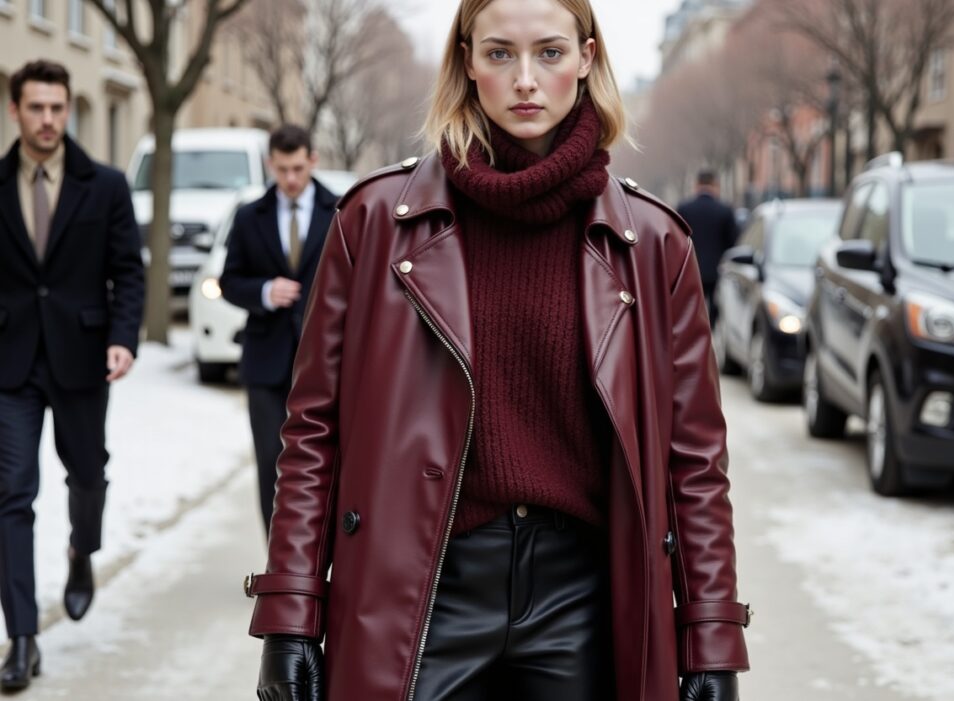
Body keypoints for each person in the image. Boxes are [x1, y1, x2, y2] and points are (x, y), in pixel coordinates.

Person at [246, 0, 750, 699]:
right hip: (424, 586)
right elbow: (312, 434)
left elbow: (695, 462)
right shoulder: (372, 224)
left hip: (584, 597)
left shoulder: (654, 244)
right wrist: (290, 613)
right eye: (499, 53)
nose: (524, 80)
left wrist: (712, 633)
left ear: (587, 59)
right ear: (466, 61)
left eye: (549, 52)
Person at [0, 60, 144, 691]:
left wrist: (122, 338)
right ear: (16, 111)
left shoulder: (105, 185)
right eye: (36, 108)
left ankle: (81, 552)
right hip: (10, 364)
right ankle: (23, 637)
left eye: (58, 107)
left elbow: (129, 272)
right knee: (11, 494)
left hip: (84, 357)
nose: (49, 119)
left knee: (87, 475)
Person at [219, 124, 337, 535]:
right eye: (282, 169)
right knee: (271, 461)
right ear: (270, 164)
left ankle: (320, 556)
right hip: (266, 362)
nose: (290, 179)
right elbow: (228, 281)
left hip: (326, 362)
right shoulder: (250, 217)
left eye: (298, 168)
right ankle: (277, 564)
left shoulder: (341, 211)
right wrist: (265, 291)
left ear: (313, 161)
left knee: (325, 462)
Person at [676, 169, 740, 326]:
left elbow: (677, 241)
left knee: (693, 307)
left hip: (690, 269)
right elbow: (733, 243)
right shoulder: (725, 210)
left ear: (696, 185)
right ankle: (710, 330)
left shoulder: (684, 209)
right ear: (715, 185)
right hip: (717, 270)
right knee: (714, 308)